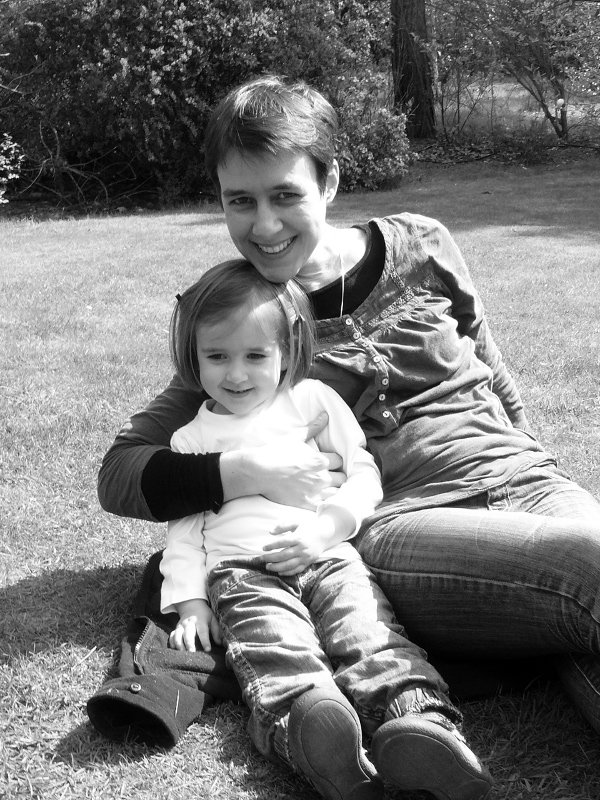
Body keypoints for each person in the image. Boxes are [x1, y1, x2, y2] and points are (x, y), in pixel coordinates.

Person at [90, 74, 600, 776]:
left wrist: (539, 465)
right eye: (240, 201)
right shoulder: (250, 323)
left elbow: (490, 366)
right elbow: (120, 472)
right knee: (589, 570)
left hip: (528, 484)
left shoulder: (422, 243)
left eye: (285, 195)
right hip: (409, 523)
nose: (264, 226)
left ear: (329, 181)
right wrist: (245, 471)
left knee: (579, 617)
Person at [158, 259, 492, 800]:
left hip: (329, 554)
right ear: (193, 358)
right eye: (217, 356)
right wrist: (191, 604)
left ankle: (420, 725)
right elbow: (183, 533)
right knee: (278, 654)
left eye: (255, 356)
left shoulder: (313, 400)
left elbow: (362, 473)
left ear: (287, 350)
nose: (236, 374)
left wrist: (325, 530)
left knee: (370, 634)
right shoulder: (191, 440)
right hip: (243, 574)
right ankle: (315, 737)